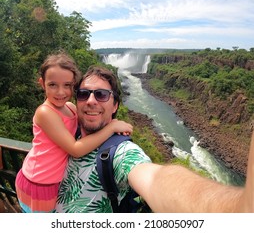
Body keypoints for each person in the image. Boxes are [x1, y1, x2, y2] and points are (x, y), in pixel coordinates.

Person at [55, 65, 254, 213]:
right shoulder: (65, 133)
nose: (91, 101)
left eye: (101, 95)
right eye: (83, 94)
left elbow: (155, 180)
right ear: (76, 100)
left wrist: (235, 210)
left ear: (115, 105)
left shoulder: (120, 153)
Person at [15, 52, 133, 213]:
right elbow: (76, 149)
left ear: (73, 86)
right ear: (42, 83)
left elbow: (91, 120)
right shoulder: (45, 112)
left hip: (52, 180)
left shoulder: (70, 108)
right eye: (53, 85)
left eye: (67, 85)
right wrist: (111, 128)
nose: (60, 92)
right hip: (38, 182)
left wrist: (110, 120)